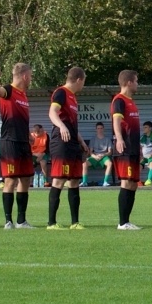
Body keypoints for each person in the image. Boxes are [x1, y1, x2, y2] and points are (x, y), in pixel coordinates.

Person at [0, 62, 35, 229]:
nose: (30, 79)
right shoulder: (8, 90)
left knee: (25, 179)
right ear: (24, 76)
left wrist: (28, 134)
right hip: (10, 142)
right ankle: (8, 221)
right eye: (30, 76)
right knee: (10, 180)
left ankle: (21, 221)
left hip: (23, 142)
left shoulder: (23, 95)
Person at [47, 67, 87, 230]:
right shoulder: (61, 92)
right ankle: (51, 223)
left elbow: (71, 124)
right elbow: (52, 112)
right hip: (61, 142)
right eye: (83, 81)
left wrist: (82, 141)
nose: (83, 85)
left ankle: (75, 222)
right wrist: (62, 127)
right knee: (59, 179)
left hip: (72, 143)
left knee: (75, 180)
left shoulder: (73, 98)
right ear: (78, 79)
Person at [110, 70, 144, 230]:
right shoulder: (119, 100)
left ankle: (127, 221)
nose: (138, 84)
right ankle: (122, 223)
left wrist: (140, 148)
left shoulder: (131, 101)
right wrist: (120, 138)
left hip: (134, 148)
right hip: (124, 147)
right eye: (136, 81)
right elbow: (116, 120)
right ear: (129, 82)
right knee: (126, 181)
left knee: (133, 184)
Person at [87, 123, 113, 187]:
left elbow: (110, 152)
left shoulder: (107, 139)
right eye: (98, 128)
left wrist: (103, 155)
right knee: (84, 163)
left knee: (109, 163)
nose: (100, 130)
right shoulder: (93, 139)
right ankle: (84, 182)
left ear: (103, 129)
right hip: (95, 156)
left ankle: (105, 182)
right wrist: (95, 156)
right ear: (96, 129)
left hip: (104, 157)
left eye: (101, 128)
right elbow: (90, 152)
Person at [140, 121, 152, 186]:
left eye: (146, 127)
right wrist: (141, 156)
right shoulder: (142, 137)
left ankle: (149, 180)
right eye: (143, 127)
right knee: (138, 166)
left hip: (151, 156)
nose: (144, 129)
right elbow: (140, 148)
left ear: (150, 128)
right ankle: (137, 181)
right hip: (143, 157)